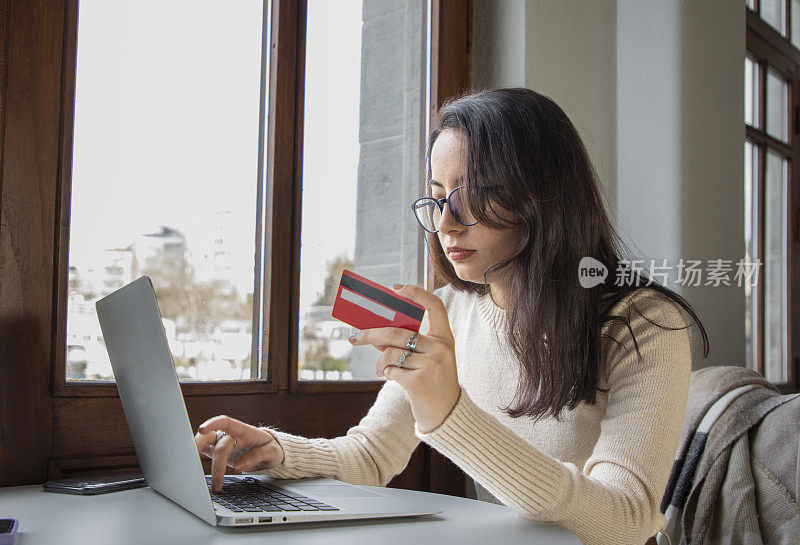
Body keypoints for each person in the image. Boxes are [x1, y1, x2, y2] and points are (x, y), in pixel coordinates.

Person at [194, 88, 709, 545]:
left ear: (544, 194)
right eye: (438, 200)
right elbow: (371, 456)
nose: (447, 223)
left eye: (473, 196)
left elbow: (625, 522)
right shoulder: (454, 311)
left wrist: (449, 414)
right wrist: (275, 450)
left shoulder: (644, 324)